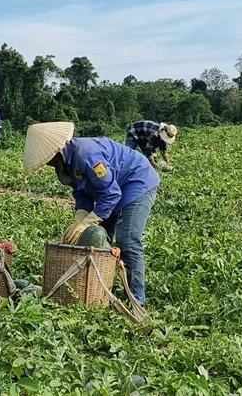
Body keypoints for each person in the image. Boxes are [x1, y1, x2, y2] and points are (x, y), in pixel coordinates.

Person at [22, 122, 159, 306]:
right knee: (100, 239)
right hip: (113, 189)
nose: (46, 164)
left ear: (52, 153)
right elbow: (82, 193)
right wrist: (79, 219)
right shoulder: (66, 163)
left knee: (127, 239)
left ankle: (136, 301)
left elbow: (111, 193)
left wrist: (87, 223)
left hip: (137, 181)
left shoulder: (86, 155)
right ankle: (98, 287)